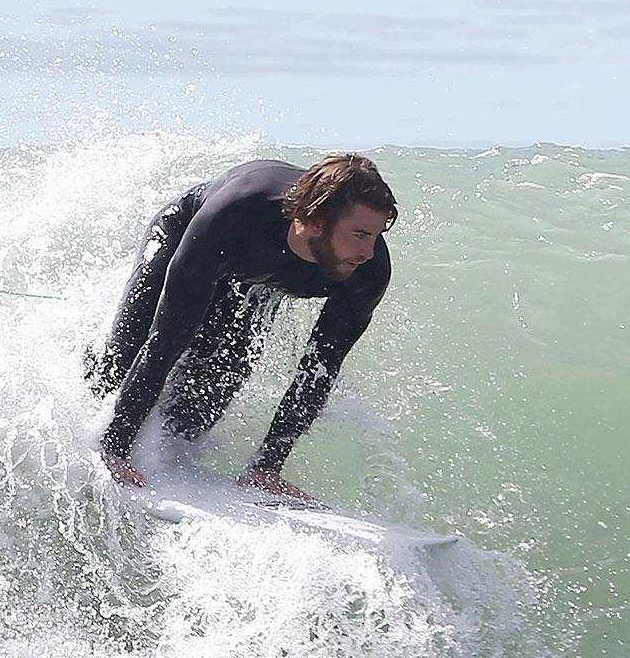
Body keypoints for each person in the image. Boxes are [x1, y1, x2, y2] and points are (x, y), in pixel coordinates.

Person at [84, 153, 397, 499]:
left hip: (252, 283)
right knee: (125, 357)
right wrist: (114, 449)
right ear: (317, 221)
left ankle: (167, 455)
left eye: (375, 236)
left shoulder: (367, 272)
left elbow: (318, 371)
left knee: (203, 401)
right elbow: (166, 341)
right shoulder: (236, 215)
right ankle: (102, 425)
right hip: (191, 239)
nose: (369, 251)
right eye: (360, 235)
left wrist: (268, 465)